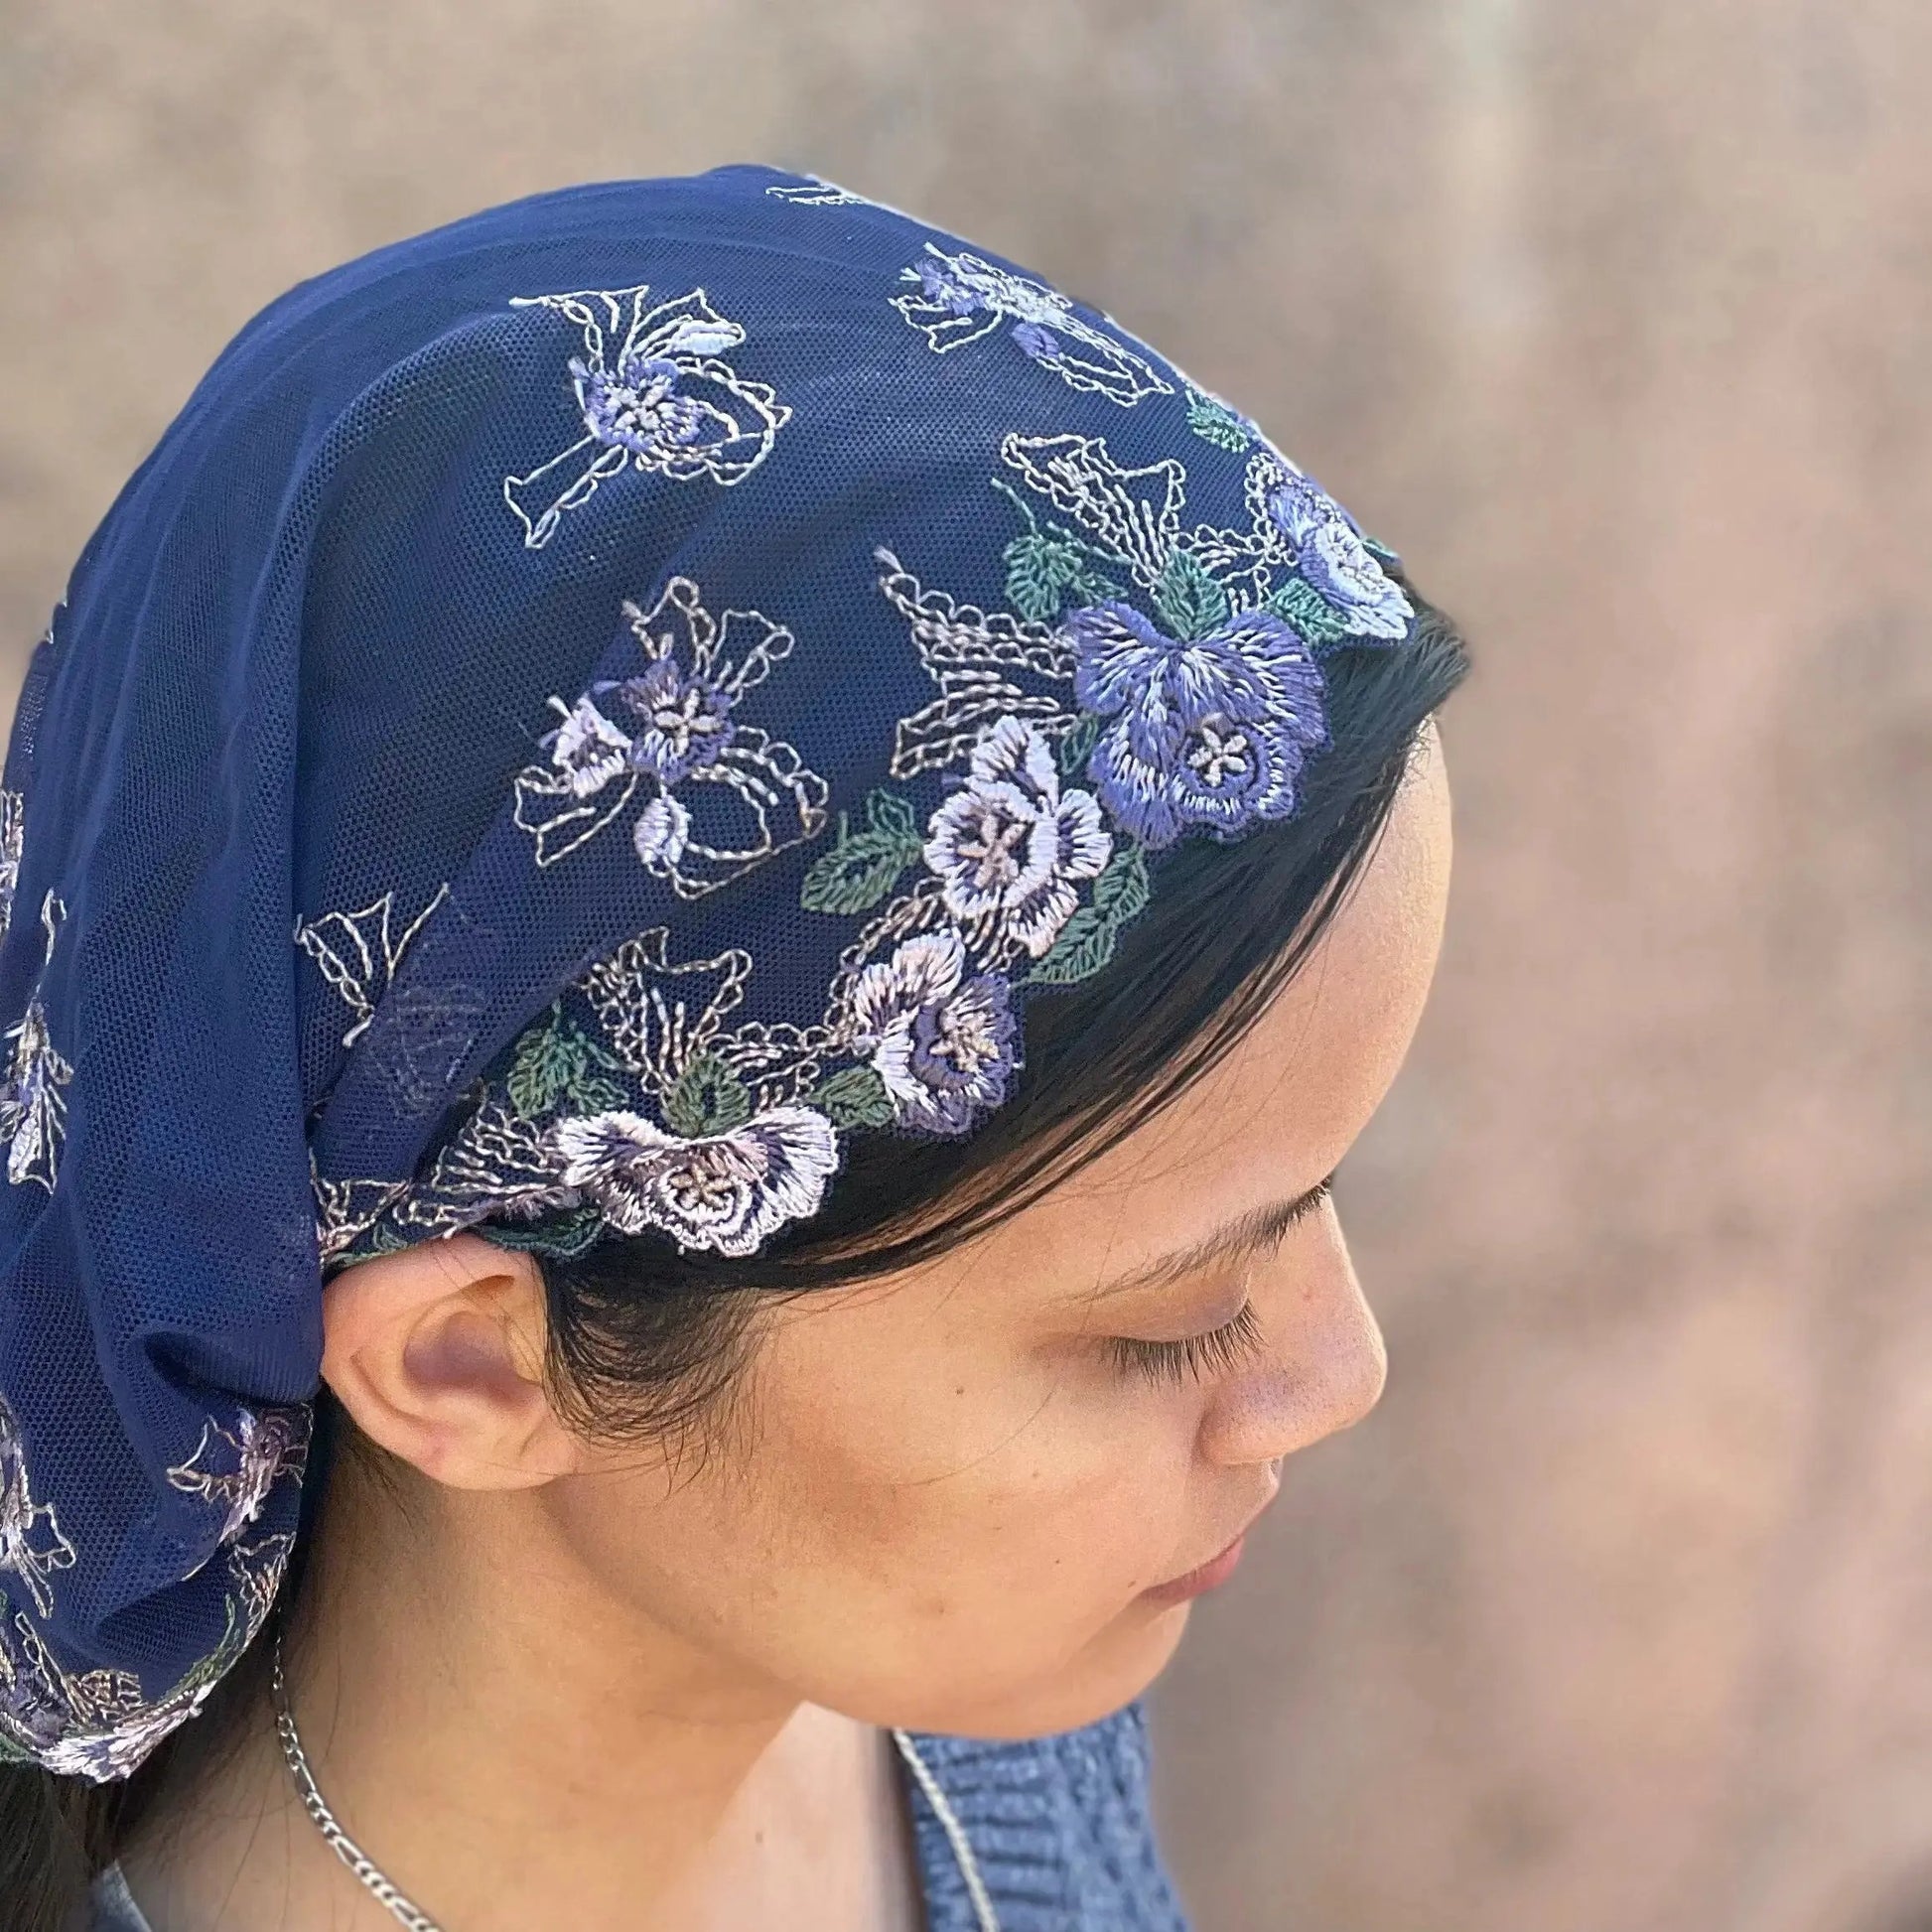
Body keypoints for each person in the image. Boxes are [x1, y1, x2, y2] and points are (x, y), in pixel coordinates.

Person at [0, 164, 1467, 1931]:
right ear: (473, 1363)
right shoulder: (960, 1620)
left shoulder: (974, 1697)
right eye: (1161, 1321)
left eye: (1308, 1201)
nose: (1337, 1368)